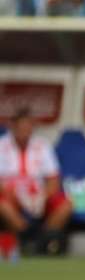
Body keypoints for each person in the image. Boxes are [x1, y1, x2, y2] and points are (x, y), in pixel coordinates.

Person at [0, 107, 73, 256]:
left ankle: (44, 241)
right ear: (13, 127)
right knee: (3, 206)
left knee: (66, 205)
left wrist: (42, 196)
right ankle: (25, 238)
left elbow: (53, 179)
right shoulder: (1, 145)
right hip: (11, 195)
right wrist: (13, 195)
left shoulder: (42, 145)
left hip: (38, 195)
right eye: (22, 127)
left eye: (29, 127)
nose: (25, 131)